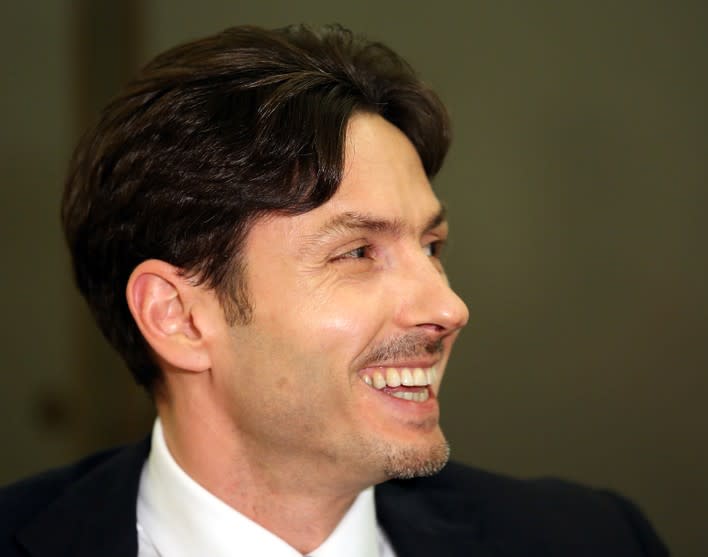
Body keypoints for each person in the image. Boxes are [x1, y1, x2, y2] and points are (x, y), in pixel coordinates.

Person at [0, 24, 668, 556]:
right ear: (179, 316)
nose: (448, 307)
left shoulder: (590, 538)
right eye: (357, 252)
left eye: (431, 247)